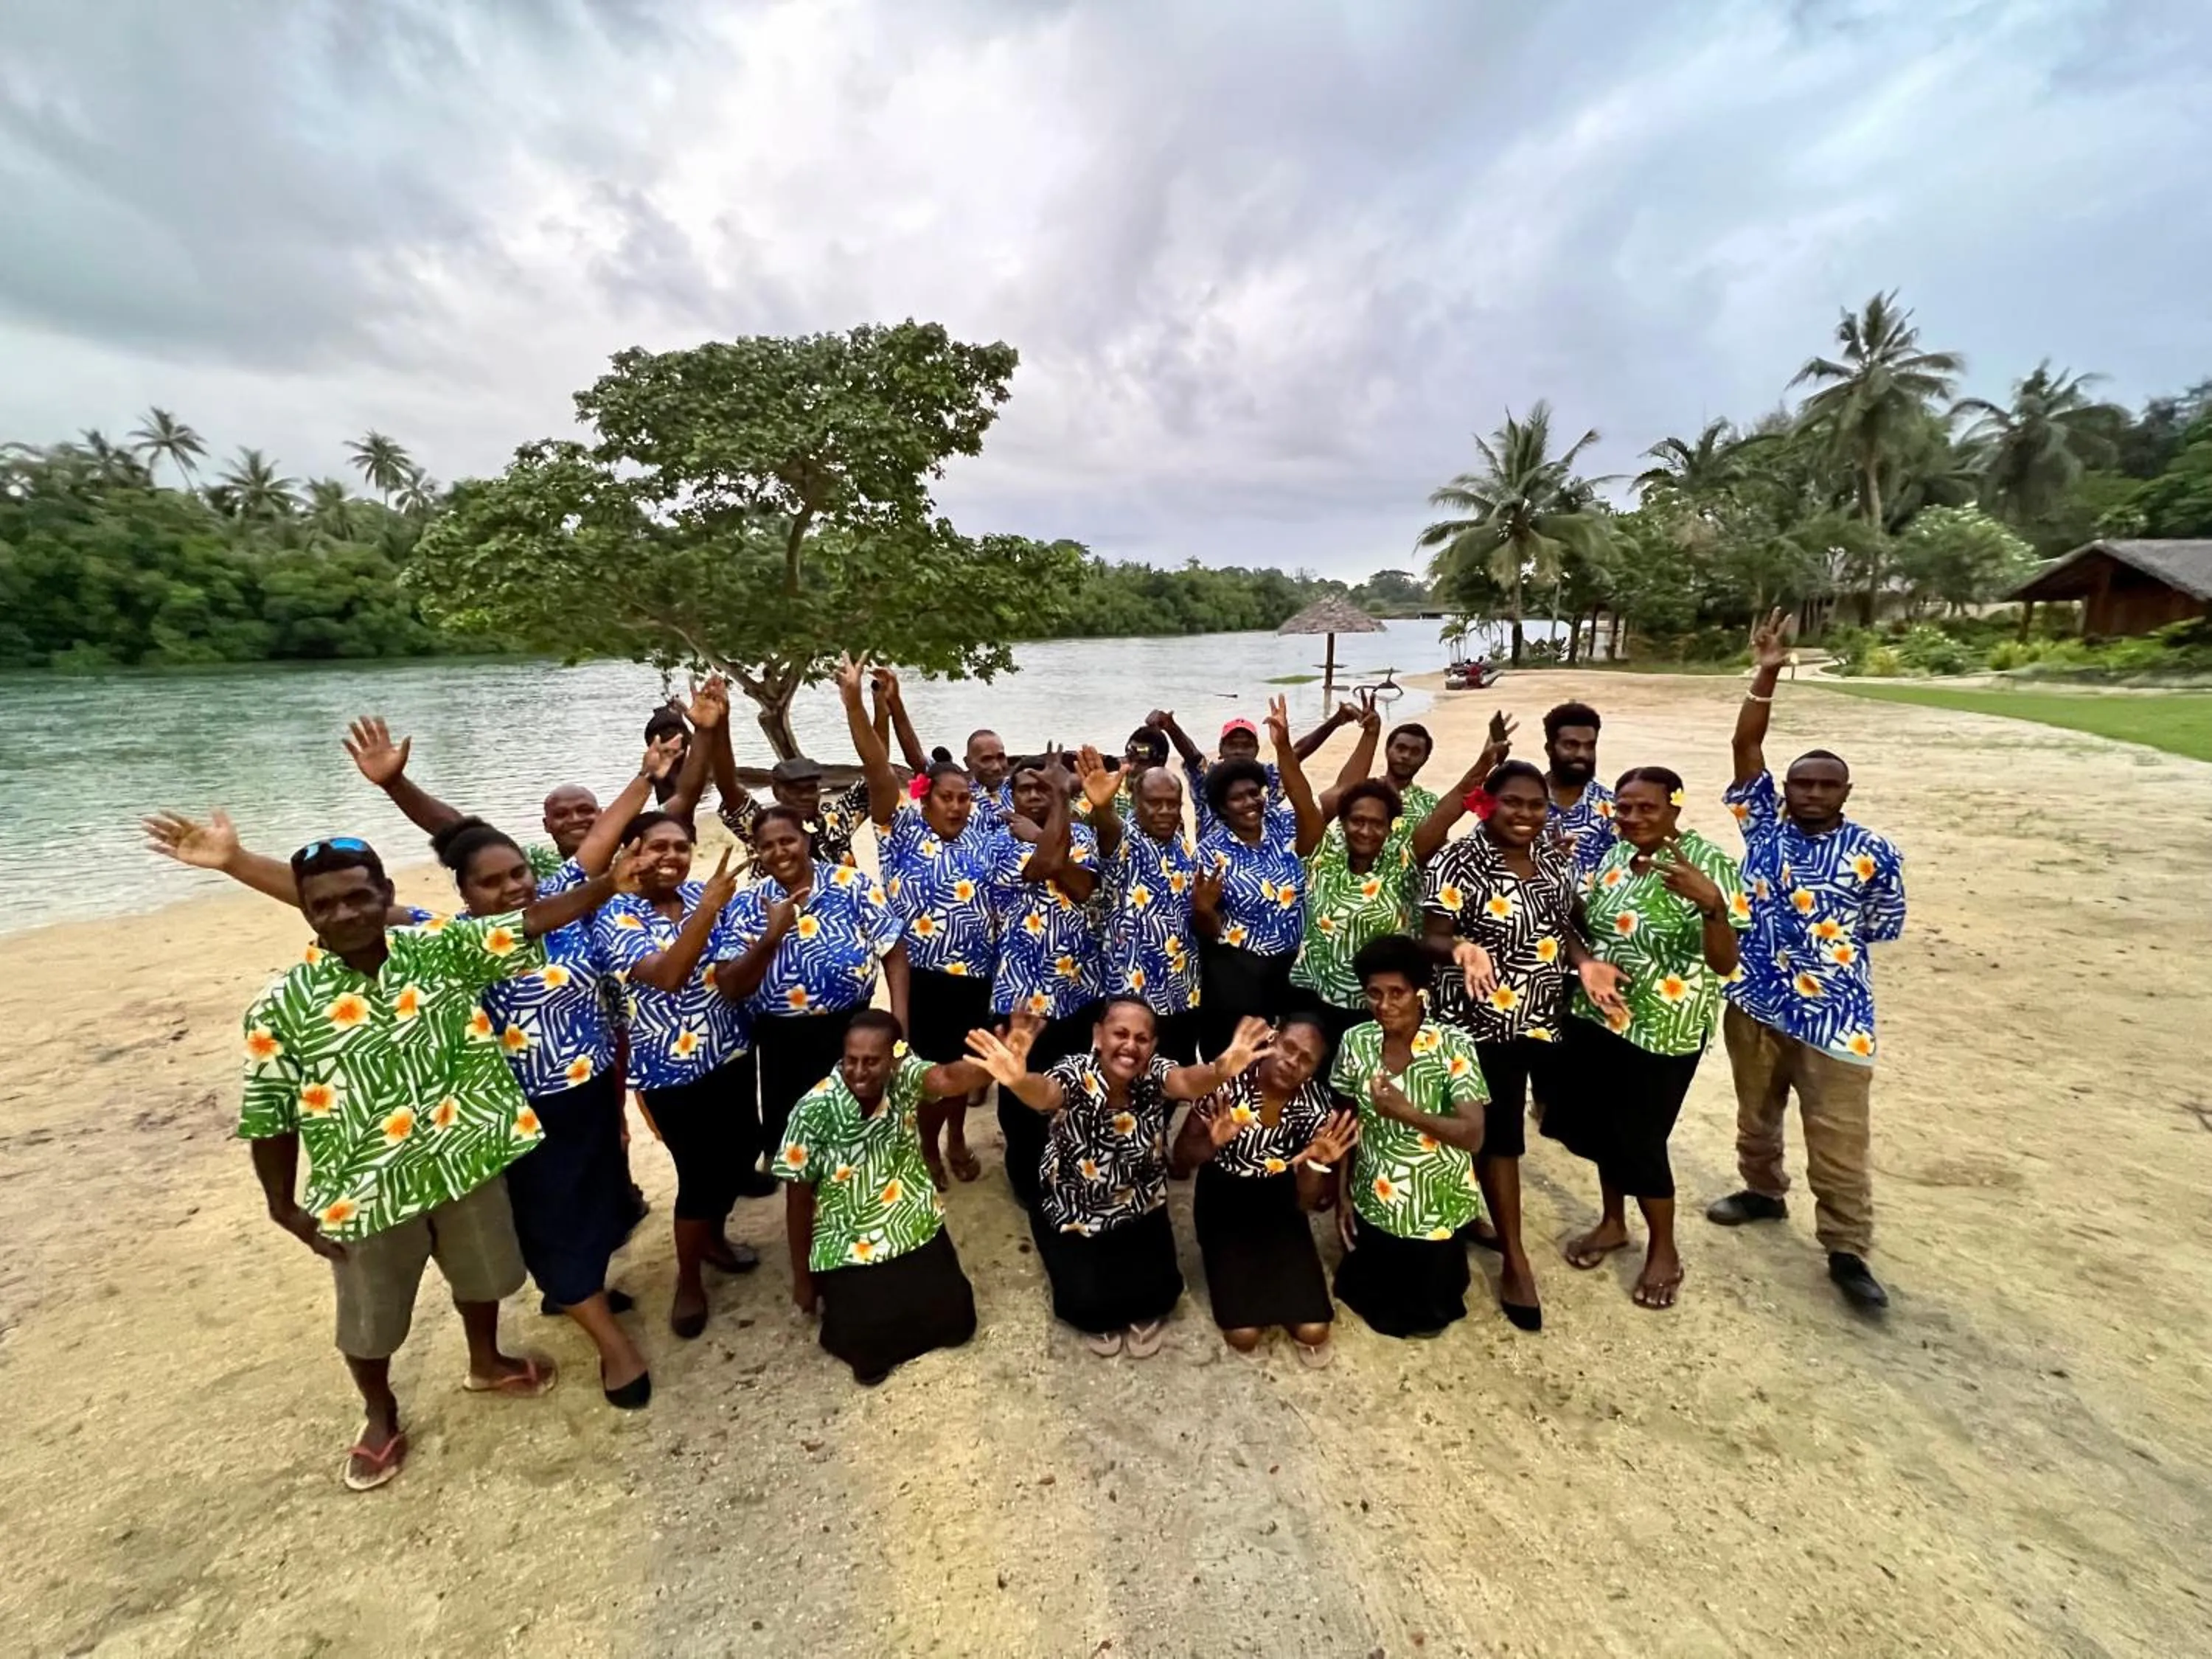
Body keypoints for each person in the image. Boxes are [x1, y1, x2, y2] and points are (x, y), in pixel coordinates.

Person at [148, 783, 662, 1410]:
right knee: (419, 1291)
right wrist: (236, 862)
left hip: (528, 1126)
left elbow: (542, 901)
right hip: (442, 1148)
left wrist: (616, 867)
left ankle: (527, 1327)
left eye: (518, 873)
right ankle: (396, 1407)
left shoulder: (496, 934)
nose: (346, 914)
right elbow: (272, 1109)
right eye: (489, 882)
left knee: (543, 1243)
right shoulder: (375, 969)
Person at [232, 834, 633, 1490]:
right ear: (304, 910)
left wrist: (608, 885)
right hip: (367, 1187)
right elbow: (270, 1116)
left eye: (359, 896)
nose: (344, 914)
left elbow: (527, 922)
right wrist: (282, 1204)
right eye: (323, 904)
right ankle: (380, 1412)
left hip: (466, 1159)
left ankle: (487, 1361)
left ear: (386, 895)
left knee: (483, 1279)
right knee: (371, 1317)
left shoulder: (440, 951)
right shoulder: (283, 1005)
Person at [1706, 611, 1907, 1312]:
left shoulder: (1874, 853)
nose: (1813, 794)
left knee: (1839, 1136)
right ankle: (1762, 1192)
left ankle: (1848, 1250)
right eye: (1803, 784)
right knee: (1755, 1114)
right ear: (1786, 790)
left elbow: (1881, 925)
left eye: (1827, 786)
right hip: (1756, 999)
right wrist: (1765, 670)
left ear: (1845, 794)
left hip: (1836, 1016)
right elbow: (1745, 743)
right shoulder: (1762, 824)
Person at [1419, 741, 1610, 1332]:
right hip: (1475, 1021)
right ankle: (1516, 1260)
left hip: (1537, 1018)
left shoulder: (1551, 859)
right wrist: (1462, 947)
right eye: (1514, 804)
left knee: (1493, 1130)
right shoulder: (1457, 862)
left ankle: (1478, 1219)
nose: (1526, 814)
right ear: (1487, 804)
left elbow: (1561, 926)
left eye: (1538, 805)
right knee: (1498, 1136)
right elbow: (1431, 938)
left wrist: (1584, 962)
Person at [1542, 767, 1748, 1310]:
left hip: (1663, 1029)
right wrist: (1584, 960)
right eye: (1624, 807)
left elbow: (1725, 963)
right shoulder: (1614, 855)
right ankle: (1613, 1222)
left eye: (1646, 808)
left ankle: (1665, 1249)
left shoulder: (1708, 865)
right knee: (1604, 1129)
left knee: (1642, 1139)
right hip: (1597, 1017)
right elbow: (1582, 923)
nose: (1631, 817)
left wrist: (1713, 907)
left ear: (1675, 808)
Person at [966, 1004, 1276, 1357]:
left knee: (1159, 1296)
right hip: (1076, 1207)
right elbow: (1046, 1092)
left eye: (1142, 1039)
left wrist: (1222, 1069)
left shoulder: (1156, 1072)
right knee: (1087, 1305)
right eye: (1121, 1034)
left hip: (1139, 1202)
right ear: (1098, 1036)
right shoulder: (1074, 1072)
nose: (1131, 1045)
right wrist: (1018, 1080)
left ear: (1153, 1046)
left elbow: (1187, 1081)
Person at [776, 1011, 1004, 1385]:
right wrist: (803, 1277)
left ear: (894, 1058)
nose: (859, 1071)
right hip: (846, 1234)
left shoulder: (906, 1076)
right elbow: (798, 1200)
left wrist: (999, 1064)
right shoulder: (813, 1109)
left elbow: (948, 1078)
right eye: (851, 1059)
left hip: (908, 1217)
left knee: (958, 1324)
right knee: (868, 1353)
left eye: (872, 1061)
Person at [594, 818, 755, 1339]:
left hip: (730, 1049)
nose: (672, 856)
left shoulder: (699, 893)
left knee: (740, 1152)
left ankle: (714, 1237)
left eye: (681, 847)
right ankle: (688, 1281)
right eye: (657, 846)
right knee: (699, 1173)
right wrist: (709, 911)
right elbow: (666, 976)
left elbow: (731, 969)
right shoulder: (616, 911)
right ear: (630, 852)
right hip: (669, 1071)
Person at [844, 660, 1002, 1187]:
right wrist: (861, 704)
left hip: (980, 975)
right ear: (925, 798)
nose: (957, 805)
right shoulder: (902, 830)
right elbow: (878, 765)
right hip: (926, 977)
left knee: (966, 1067)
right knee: (931, 1076)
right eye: (946, 797)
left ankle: (957, 1135)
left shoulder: (980, 826)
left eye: (963, 797)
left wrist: (896, 702)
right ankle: (929, 1147)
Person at [716, 805, 910, 1189]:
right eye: (766, 846)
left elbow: (894, 951)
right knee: (798, 1150)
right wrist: (771, 937)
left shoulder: (852, 885)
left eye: (787, 840)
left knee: (858, 1135)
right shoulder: (746, 904)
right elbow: (731, 986)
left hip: (851, 1033)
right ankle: (806, 1232)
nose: (780, 852)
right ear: (756, 851)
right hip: (780, 1043)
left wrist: (900, 1023)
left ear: (806, 840)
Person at [1169, 1012, 1358, 1365]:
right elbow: (1180, 1160)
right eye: (1289, 1048)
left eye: (1306, 1060)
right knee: (1244, 1335)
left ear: (1315, 1070)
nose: (1292, 1062)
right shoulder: (1226, 1083)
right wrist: (1211, 1143)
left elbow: (1306, 1201)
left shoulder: (1316, 1106)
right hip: (1223, 1197)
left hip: (1280, 1202)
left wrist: (1316, 1164)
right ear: (1272, 1040)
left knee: (1314, 1329)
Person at [1329, 934, 1490, 1339]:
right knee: (1370, 1289)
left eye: (1397, 993)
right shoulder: (1357, 1042)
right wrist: (1343, 1193)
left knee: (1429, 1310)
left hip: (1434, 1205)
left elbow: (1473, 1136)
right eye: (1374, 994)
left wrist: (1408, 1113)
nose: (1385, 1005)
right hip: (1376, 1198)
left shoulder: (1453, 1047)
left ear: (1421, 993)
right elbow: (1346, 1120)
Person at [984, 751, 1119, 1205]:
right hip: (1024, 995)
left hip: (1079, 990)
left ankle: (1070, 1164)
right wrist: (1061, 800)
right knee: (1021, 1091)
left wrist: (1046, 832)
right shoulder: (997, 842)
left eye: (1046, 787)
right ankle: (1024, 1176)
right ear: (1012, 796)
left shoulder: (1080, 834)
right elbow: (1042, 867)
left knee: (1075, 1087)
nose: (1037, 794)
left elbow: (1083, 889)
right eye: (1027, 788)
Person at [1192, 698, 1307, 1058]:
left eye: (1254, 793)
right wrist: (1205, 909)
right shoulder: (1211, 852)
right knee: (1234, 1056)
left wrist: (1284, 747)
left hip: (1291, 967)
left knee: (1284, 1056)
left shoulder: (1284, 825)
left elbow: (1324, 802)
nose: (1250, 802)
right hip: (1238, 971)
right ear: (1223, 807)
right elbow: (1208, 930)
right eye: (1237, 798)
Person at [1101, 764, 1203, 1065]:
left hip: (1183, 990)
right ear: (1135, 802)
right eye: (1154, 803)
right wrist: (1102, 806)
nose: (1165, 811)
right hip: (1136, 992)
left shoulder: (1183, 847)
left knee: (1173, 1072)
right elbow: (1109, 830)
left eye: (1172, 804)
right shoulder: (1127, 841)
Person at [1151, 704, 1349, 839]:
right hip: (1214, 865)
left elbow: (1296, 754)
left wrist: (1336, 721)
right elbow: (1192, 755)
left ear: (1256, 750)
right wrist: (1172, 728)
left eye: (1246, 745)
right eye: (1232, 745)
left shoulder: (1268, 776)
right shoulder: (1209, 777)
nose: (1239, 751)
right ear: (1220, 750)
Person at [1542, 701, 1616, 877]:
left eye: (1590, 746)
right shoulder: (1519, 803)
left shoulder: (1612, 808)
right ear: (1549, 749)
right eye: (1571, 745)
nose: (1582, 754)